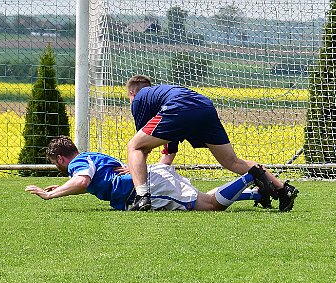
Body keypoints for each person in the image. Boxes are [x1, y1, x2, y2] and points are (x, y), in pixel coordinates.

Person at [126, 75, 299, 211]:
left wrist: (135, 169)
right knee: (232, 162)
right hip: (204, 106)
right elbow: (170, 147)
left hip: (179, 107)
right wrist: (161, 168)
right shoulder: (161, 94)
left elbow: (142, 147)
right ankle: (283, 189)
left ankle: (142, 197)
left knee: (134, 146)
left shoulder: (140, 98)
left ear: (132, 93)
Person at [25, 136, 288, 212]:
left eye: (56, 164)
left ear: (61, 159)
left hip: (144, 188)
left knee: (209, 205)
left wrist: (52, 196)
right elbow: (84, 181)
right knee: (204, 197)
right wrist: (58, 187)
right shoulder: (90, 156)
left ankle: (250, 175)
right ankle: (255, 195)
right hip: (151, 178)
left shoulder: (77, 165)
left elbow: (81, 180)